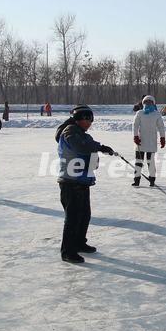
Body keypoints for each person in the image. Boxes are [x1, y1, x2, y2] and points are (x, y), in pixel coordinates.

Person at [55, 105, 114, 264]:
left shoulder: (82, 134)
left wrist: (99, 152)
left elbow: (90, 150)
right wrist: (100, 147)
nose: (88, 122)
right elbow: (80, 147)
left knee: (84, 215)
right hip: (70, 181)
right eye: (85, 119)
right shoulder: (70, 131)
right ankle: (67, 251)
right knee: (73, 218)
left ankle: (80, 242)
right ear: (77, 119)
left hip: (82, 181)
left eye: (90, 119)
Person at [132, 95, 166, 187]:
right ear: (143, 103)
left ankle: (152, 179)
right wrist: (135, 136)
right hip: (140, 142)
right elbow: (135, 125)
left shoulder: (156, 114)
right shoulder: (139, 113)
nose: (147, 103)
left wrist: (162, 138)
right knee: (138, 161)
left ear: (153, 103)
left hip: (151, 142)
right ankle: (137, 179)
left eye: (149, 102)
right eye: (146, 102)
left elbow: (161, 127)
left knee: (150, 162)